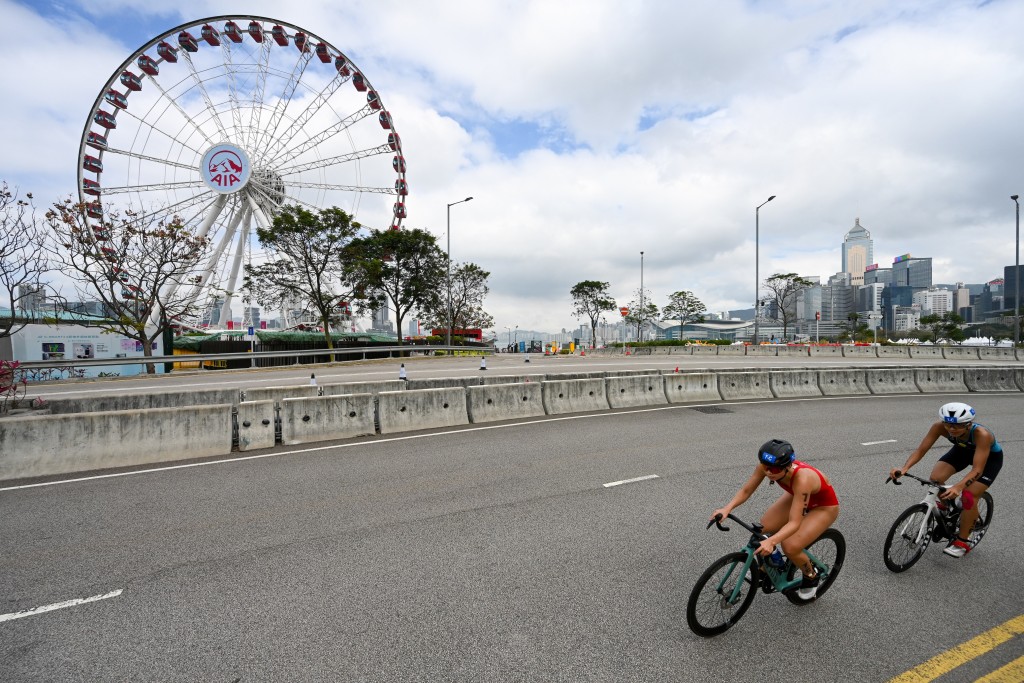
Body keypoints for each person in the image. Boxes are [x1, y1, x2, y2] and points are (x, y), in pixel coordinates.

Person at [711, 439, 840, 599]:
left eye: (773, 469)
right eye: (765, 467)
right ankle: (770, 568)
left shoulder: (803, 478)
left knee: (790, 545)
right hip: (797, 497)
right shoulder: (766, 466)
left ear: (787, 467)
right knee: (763, 529)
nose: (768, 472)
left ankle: (811, 575)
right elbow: (746, 490)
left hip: (823, 507)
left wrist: (772, 542)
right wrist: (726, 508)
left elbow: (794, 523)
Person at [889, 402, 1003, 558]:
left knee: (968, 495)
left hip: (988, 460)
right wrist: (905, 468)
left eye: (957, 426)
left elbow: (977, 469)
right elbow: (922, 449)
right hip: (962, 451)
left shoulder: (982, 435)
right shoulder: (939, 427)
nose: (951, 429)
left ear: (969, 424)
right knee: (936, 478)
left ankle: (962, 541)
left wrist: (958, 487)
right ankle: (947, 508)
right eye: (948, 425)